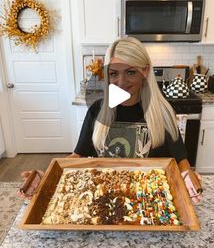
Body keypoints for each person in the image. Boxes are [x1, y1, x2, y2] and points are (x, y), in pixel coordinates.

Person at [18, 37, 202, 205]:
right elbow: (78, 157)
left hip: (150, 202)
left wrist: (188, 176)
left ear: (145, 71)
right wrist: (47, 176)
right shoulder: (97, 111)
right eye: (114, 73)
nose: (121, 81)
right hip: (104, 202)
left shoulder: (162, 113)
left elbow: (180, 161)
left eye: (130, 72)